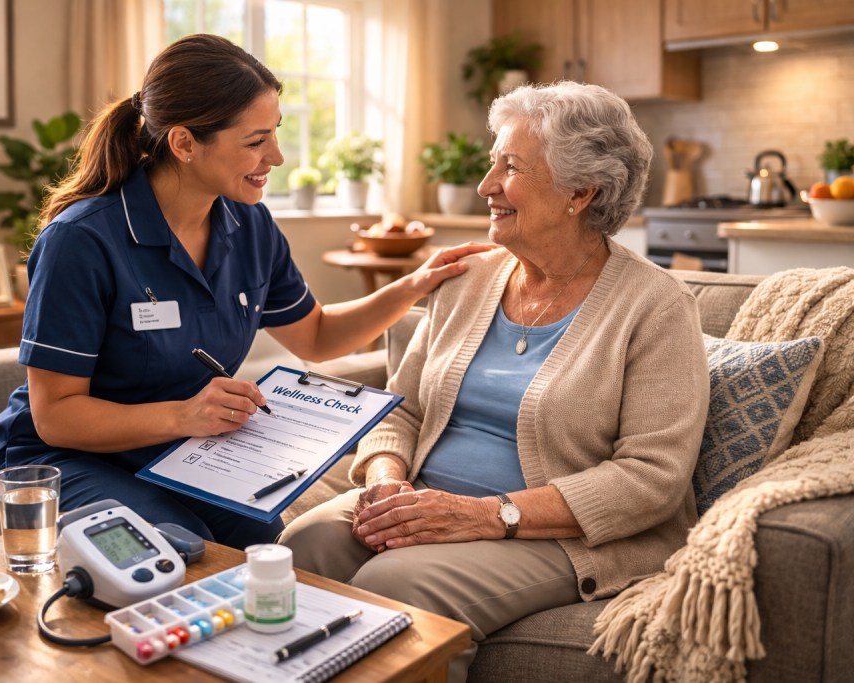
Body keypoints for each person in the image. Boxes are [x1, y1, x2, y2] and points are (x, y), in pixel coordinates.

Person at [0, 34, 491, 550]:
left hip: (172, 452)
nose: (277, 157)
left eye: (275, 133)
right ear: (184, 143)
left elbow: (317, 335)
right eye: (257, 141)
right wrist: (184, 415)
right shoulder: (82, 241)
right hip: (53, 464)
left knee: (271, 547)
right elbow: (56, 415)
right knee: (180, 549)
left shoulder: (250, 225)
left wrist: (415, 284)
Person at [280, 81, 710, 682]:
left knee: (396, 584)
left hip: (556, 535)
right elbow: (399, 410)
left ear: (580, 193)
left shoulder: (657, 306)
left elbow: (652, 478)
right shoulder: (469, 278)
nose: (486, 186)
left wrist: (487, 516)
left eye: (509, 167)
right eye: (492, 163)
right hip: (427, 500)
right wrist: (385, 479)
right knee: (306, 542)